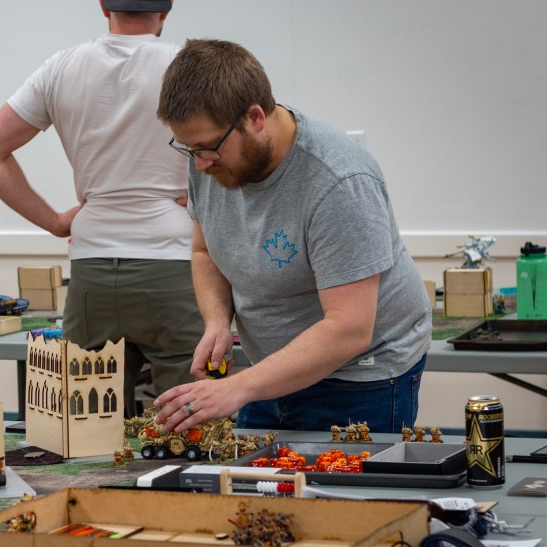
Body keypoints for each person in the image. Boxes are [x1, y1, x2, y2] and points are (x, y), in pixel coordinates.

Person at [152, 39, 432, 434]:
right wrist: (217, 322)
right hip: (267, 374)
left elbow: (349, 328)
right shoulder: (212, 158)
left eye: (208, 148)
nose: (200, 164)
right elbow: (204, 251)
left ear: (255, 118)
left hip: (359, 378)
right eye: (190, 149)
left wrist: (239, 387)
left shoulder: (338, 181)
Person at [0, 0, 202, 415]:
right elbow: (246, 151)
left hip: (93, 268)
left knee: (88, 424)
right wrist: (199, 201)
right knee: (190, 422)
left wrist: (56, 221)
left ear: (103, 4)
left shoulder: (62, 67)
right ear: (167, 10)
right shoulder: (190, 67)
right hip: (174, 262)